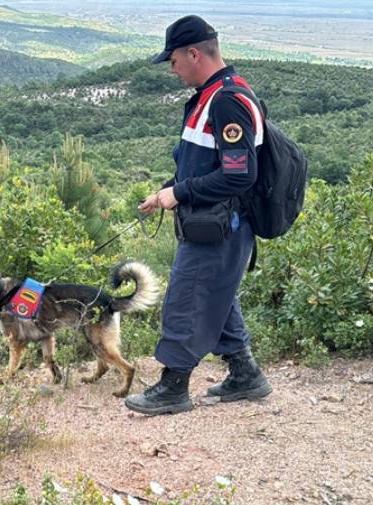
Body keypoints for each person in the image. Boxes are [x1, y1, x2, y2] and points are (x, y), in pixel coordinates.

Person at [125, 15, 272, 415]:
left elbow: (240, 174)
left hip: (220, 225)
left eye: (173, 60)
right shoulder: (210, 97)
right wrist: (166, 193)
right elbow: (199, 162)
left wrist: (180, 192)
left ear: (194, 53)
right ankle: (246, 374)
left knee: (186, 297)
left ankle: (173, 387)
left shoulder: (227, 100)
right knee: (217, 293)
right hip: (209, 221)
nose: (172, 70)